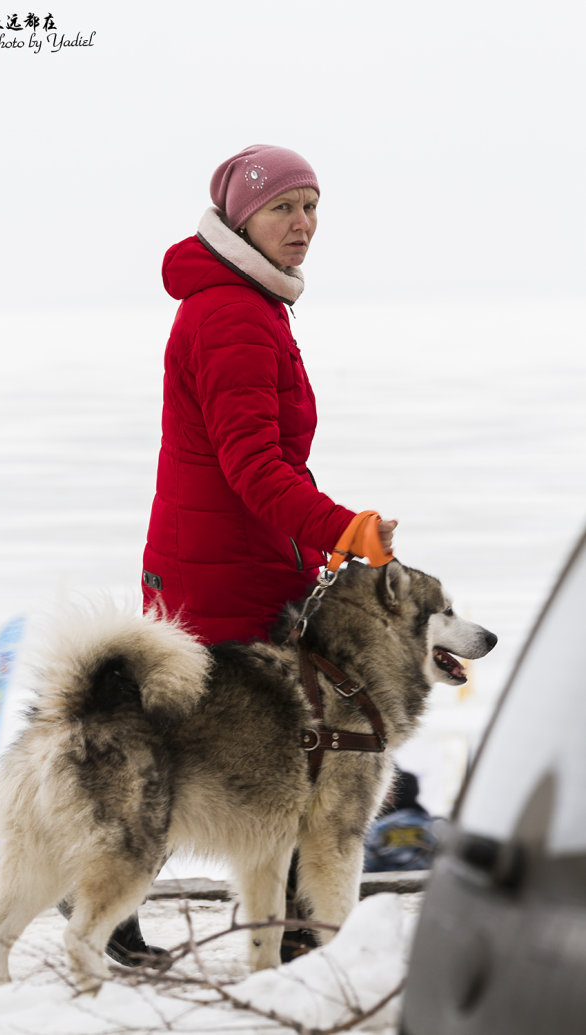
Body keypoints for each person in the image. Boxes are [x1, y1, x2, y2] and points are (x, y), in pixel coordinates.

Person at [111, 144, 398, 965]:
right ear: (242, 218)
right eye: (284, 208)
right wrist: (348, 530)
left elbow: (264, 466)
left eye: (312, 207)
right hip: (219, 569)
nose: (303, 224)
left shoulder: (248, 301)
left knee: (266, 738)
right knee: (222, 740)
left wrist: (316, 541)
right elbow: (254, 470)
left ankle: (296, 925)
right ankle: (121, 906)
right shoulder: (232, 311)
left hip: (240, 556)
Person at [363, 768, 438, 872]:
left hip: (382, 886)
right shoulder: (434, 826)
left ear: (394, 795)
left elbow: (366, 867)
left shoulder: (377, 829)